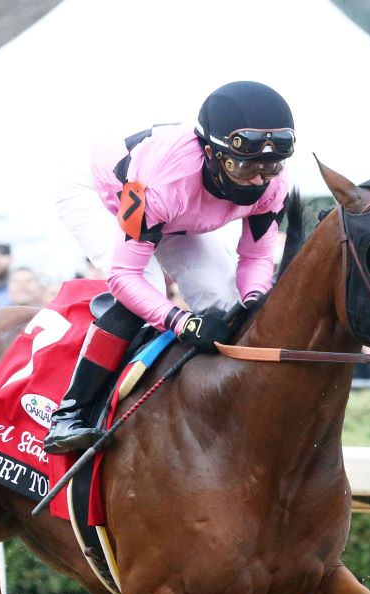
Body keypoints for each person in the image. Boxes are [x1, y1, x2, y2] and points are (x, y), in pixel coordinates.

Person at [45, 79, 295, 452]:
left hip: (179, 215)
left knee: (226, 300)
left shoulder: (274, 185)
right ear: (211, 153)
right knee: (146, 294)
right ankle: (70, 413)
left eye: (270, 166)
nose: (259, 179)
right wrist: (181, 321)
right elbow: (123, 275)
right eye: (246, 167)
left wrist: (254, 299)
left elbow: (257, 257)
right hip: (99, 194)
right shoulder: (164, 181)